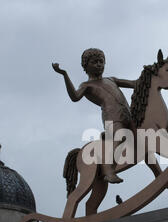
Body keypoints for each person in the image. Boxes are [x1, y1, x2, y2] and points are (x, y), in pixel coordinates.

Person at [52, 48, 136, 183]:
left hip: (128, 114)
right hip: (112, 118)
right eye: (94, 62)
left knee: (145, 138)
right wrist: (64, 74)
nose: (99, 64)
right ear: (86, 66)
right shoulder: (86, 85)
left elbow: (134, 83)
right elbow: (74, 96)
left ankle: (157, 172)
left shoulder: (111, 79)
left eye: (101, 61)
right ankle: (108, 171)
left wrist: (151, 72)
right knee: (121, 137)